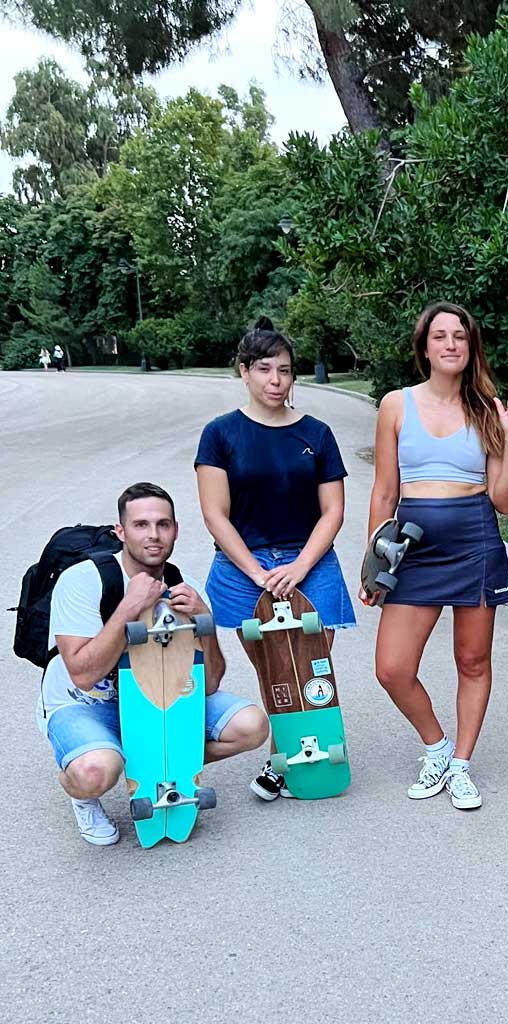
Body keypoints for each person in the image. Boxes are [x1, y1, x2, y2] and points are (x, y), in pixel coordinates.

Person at [364, 301, 508, 811]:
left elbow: (504, 501)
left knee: (472, 659)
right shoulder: (396, 405)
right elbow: (383, 492)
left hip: (474, 539)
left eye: (459, 336)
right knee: (392, 667)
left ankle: (461, 764)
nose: (450, 344)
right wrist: (373, 563)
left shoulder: (487, 408)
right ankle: (436, 747)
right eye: (440, 336)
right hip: (413, 546)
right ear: (425, 346)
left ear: (471, 346)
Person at [38, 482, 268, 846]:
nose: (153, 535)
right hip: (86, 705)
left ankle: (154, 764)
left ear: (176, 529)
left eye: (163, 524)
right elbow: (83, 675)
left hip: (158, 699)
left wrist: (203, 619)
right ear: (121, 531)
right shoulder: (83, 581)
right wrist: (129, 607)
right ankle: (83, 792)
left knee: (251, 726)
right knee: (96, 771)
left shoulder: (185, 585)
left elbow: (208, 684)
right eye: (141, 525)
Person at [195, 317, 356, 801]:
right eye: (264, 369)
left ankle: (305, 755)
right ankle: (284, 756)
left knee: (310, 668)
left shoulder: (317, 433)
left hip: (311, 562)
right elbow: (215, 514)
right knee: (274, 670)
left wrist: (299, 568)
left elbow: (333, 511)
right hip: (246, 569)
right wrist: (259, 573)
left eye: (284, 371)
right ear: (243, 372)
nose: (275, 380)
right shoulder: (220, 434)